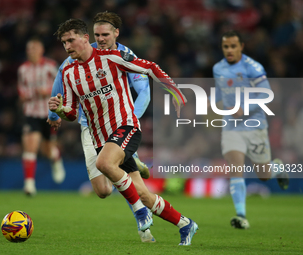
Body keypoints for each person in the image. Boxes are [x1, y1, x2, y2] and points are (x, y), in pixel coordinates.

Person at [49, 18, 198, 246]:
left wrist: (174, 90)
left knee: (104, 164)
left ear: (85, 38)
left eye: (71, 40)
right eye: (63, 43)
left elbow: (149, 67)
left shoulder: (112, 57)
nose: (67, 46)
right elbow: (71, 113)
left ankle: (139, 213)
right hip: (99, 137)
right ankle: (185, 224)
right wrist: (59, 108)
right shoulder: (69, 72)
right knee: (144, 194)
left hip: (125, 126)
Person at [47, 12, 153, 243]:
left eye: (105, 35)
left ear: (116, 33)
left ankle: (144, 227)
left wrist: (129, 121)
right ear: (89, 36)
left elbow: (144, 90)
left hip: (120, 125)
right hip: (91, 128)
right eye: (97, 35)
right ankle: (131, 163)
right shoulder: (78, 55)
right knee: (104, 191)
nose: (101, 39)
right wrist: (52, 112)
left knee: (121, 174)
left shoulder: (123, 56)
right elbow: (60, 78)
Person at [212, 30, 289, 229]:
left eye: (233, 46)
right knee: (235, 168)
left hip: (255, 125)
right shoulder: (218, 68)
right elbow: (220, 94)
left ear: (241, 47)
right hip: (231, 126)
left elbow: (267, 94)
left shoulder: (253, 67)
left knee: (263, 174)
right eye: (225, 47)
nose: (229, 50)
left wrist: (244, 109)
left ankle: (277, 168)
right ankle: (241, 215)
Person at [18, 37, 66, 196]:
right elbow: (21, 89)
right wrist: (24, 96)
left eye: (34, 48)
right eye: (29, 49)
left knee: (48, 150)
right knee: (30, 145)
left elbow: (62, 85)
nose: (31, 52)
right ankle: (29, 185)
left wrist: (47, 91)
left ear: (41, 50)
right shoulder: (23, 69)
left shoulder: (51, 66)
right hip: (31, 112)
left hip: (49, 113)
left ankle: (56, 159)